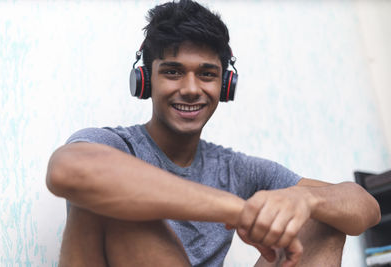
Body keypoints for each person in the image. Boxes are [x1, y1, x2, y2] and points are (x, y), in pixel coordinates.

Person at [46, 0, 380, 266]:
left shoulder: (235, 168)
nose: (191, 89)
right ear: (145, 80)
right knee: (112, 198)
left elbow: (364, 206)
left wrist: (306, 199)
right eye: (173, 72)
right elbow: (67, 171)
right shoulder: (114, 146)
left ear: (225, 85)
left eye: (207, 74)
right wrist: (236, 209)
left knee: (326, 216)